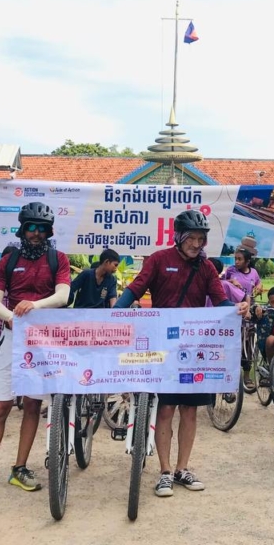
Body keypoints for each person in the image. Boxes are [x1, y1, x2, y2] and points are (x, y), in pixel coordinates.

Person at [113, 209, 250, 498]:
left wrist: (236, 309)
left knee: (190, 411)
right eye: (192, 239)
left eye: (201, 239)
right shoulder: (159, 259)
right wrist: (114, 313)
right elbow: (136, 289)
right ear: (179, 237)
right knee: (166, 409)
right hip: (163, 346)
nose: (197, 244)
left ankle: (182, 468)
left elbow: (220, 299)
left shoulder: (207, 268)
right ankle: (164, 472)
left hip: (194, 348)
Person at [0, 203, 70, 501]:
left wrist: (34, 306)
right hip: (13, 338)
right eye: (30, 227)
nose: (35, 233)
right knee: (0, 406)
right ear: (22, 229)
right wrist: (12, 318)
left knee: (33, 405)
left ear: (48, 231)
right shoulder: (9, 261)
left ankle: (19, 468)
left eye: (41, 228)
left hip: (45, 340)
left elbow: (63, 296)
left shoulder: (58, 259)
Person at [253, 286, 274, 362]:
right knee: (270, 339)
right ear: (269, 302)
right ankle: (271, 368)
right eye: (273, 302)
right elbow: (252, 311)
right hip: (270, 347)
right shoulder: (266, 311)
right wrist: (257, 308)